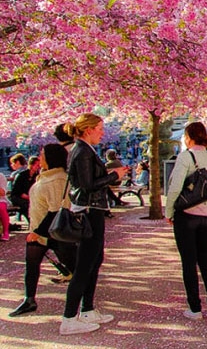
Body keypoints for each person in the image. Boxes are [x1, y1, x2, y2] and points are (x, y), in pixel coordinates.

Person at [60, 113, 130, 335]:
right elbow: (88, 185)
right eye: (100, 128)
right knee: (85, 264)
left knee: (94, 259)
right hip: (89, 211)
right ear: (88, 129)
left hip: (93, 210)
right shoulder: (81, 152)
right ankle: (69, 317)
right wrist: (114, 175)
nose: (102, 132)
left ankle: (87, 308)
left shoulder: (84, 150)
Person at [9, 144, 77, 317]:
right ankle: (29, 300)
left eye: (43, 155)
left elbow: (55, 210)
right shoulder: (46, 177)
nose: (40, 158)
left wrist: (37, 231)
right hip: (41, 230)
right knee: (31, 266)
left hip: (55, 231)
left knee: (74, 267)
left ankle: (85, 300)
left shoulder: (58, 179)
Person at [166, 122, 207, 320]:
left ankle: (194, 307)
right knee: (205, 257)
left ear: (188, 137)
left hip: (187, 215)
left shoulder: (185, 156)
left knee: (188, 261)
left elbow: (175, 187)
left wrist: (169, 210)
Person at [9, 154, 31, 225]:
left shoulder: (16, 174)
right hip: (26, 195)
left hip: (18, 196)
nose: (11, 165)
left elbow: (10, 189)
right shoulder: (28, 171)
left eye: (12, 163)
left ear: (17, 162)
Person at [0, 172, 10, 241]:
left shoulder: (1, 176)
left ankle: (5, 232)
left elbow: (3, 193)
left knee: (1, 208)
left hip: (1, 199)